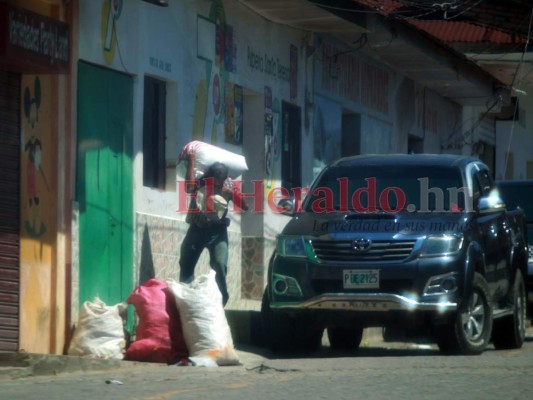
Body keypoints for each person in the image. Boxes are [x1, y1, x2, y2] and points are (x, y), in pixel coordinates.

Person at [179, 150, 249, 306]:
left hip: (217, 231)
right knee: (185, 262)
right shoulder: (201, 181)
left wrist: (231, 193)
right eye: (216, 181)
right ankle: (187, 300)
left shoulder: (228, 184)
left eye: (221, 181)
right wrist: (191, 161)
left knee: (219, 265)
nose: (218, 184)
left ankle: (222, 299)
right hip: (197, 228)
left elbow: (245, 206)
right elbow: (189, 188)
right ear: (210, 176)